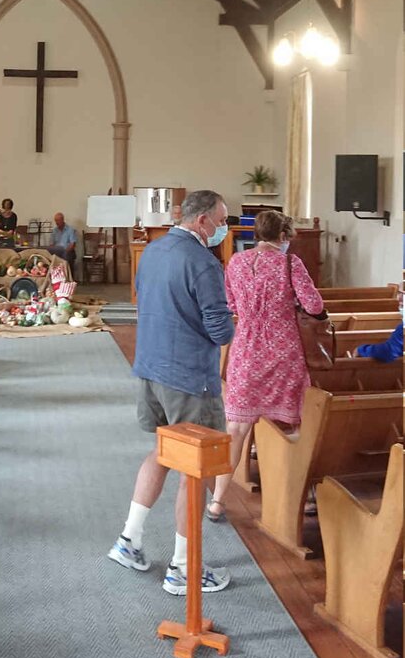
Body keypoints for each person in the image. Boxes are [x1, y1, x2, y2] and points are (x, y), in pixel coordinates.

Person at [108, 190, 235, 596]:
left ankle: (129, 539)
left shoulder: (154, 251)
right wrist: (232, 322)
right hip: (188, 377)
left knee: (164, 450)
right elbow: (220, 330)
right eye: (220, 220)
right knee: (194, 471)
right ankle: (183, 567)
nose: (223, 229)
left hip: (150, 367)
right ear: (202, 222)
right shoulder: (203, 262)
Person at [208, 210, 325, 523]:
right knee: (296, 423)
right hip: (284, 351)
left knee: (235, 428)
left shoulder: (237, 262)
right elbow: (314, 305)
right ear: (283, 236)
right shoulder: (290, 263)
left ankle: (217, 501)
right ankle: (306, 495)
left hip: (246, 349)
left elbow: (230, 304)